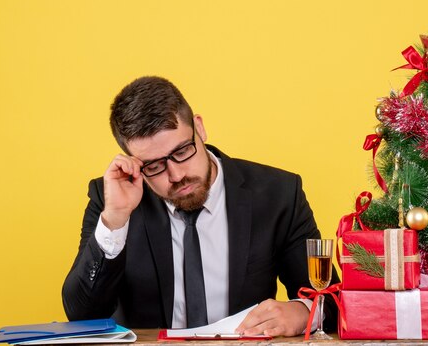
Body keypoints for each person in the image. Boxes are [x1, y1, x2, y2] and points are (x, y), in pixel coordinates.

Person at [62, 76, 339, 336]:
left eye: (182, 151)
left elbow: (333, 300)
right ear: (134, 162)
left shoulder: (277, 194)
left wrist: (304, 313)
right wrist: (115, 219)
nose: (177, 175)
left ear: (200, 127)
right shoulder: (112, 197)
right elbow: (83, 315)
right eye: (154, 166)